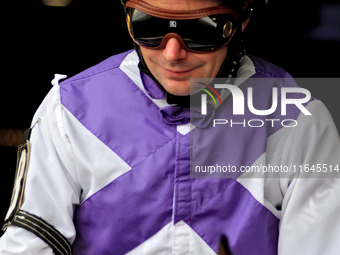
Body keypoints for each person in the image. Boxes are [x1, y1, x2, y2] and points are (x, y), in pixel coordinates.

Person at [1, 0, 340, 254]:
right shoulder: (68, 108)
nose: (172, 53)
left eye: (199, 30)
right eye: (150, 25)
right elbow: (28, 246)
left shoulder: (300, 118)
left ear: (243, 20)